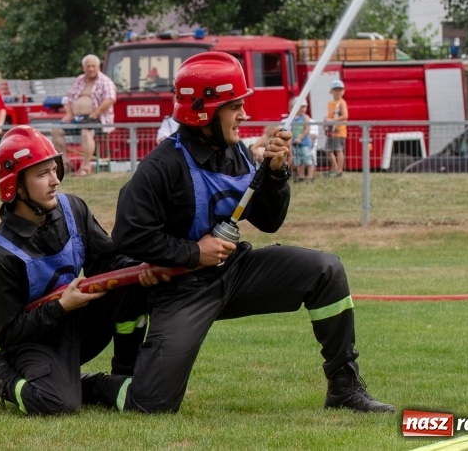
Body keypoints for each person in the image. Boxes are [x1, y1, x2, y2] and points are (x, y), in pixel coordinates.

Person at [109, 51, 394, 414]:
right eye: (235, 107)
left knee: (326, 270)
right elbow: (129, 237)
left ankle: (344, 387)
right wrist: (194, 253)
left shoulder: (239, 154)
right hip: (182, 290)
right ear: (204, 111)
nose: (244, 114)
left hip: (236, 273)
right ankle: (95, 385)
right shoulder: (160, 167)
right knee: (151, 403)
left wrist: (275, 173)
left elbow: (269, 222)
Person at [0, 125, 167, 415]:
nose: (55, 180)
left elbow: (108, 263)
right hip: (34, 343)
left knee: (133, 288)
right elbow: (10, 334)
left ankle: (125, 372)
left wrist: (141, 269)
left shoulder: (73, 210)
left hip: (77, 325)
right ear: (16, 186)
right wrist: (60, 307)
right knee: (57, 403)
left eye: (54, 169)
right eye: (42, 174)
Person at [51, 54, 116, 177]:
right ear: (83, 68)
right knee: (56, 130)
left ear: (98, 67)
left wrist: (95, 113)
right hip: (76, 118)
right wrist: (69, 113)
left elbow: (110, 99)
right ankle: (65, 163)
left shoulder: (105, 81)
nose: (91, 69)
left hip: (97, 118)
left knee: (86, 132)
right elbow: (68, 98)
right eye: (88, 66)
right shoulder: (79, 80)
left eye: (93, 66)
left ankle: (85, 166)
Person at [325, 79, 348, 177]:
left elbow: (345, 116)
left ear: (343, 91)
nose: (338, 92)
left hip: (339, 131)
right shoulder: (330, 103)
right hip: (331, 131)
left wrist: (332, 121)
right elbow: (330, 116)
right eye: (335, 90)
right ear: (331, 91)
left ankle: (339, 170)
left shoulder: (342, 103)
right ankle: (334, 168)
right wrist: (327, 123)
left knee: (338, 150)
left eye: (340, 90)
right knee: (328, 150)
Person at [290, 98, 315, 182]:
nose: (303, 109)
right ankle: (301, 176)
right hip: (296, 144)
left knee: (308, 160)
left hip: (304, 143)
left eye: (304, 107)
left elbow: (307, 129)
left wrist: (299, 138)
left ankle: (310, 176)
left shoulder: (305, 117)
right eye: (300, 107)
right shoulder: (292, 118)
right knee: (298, 161)